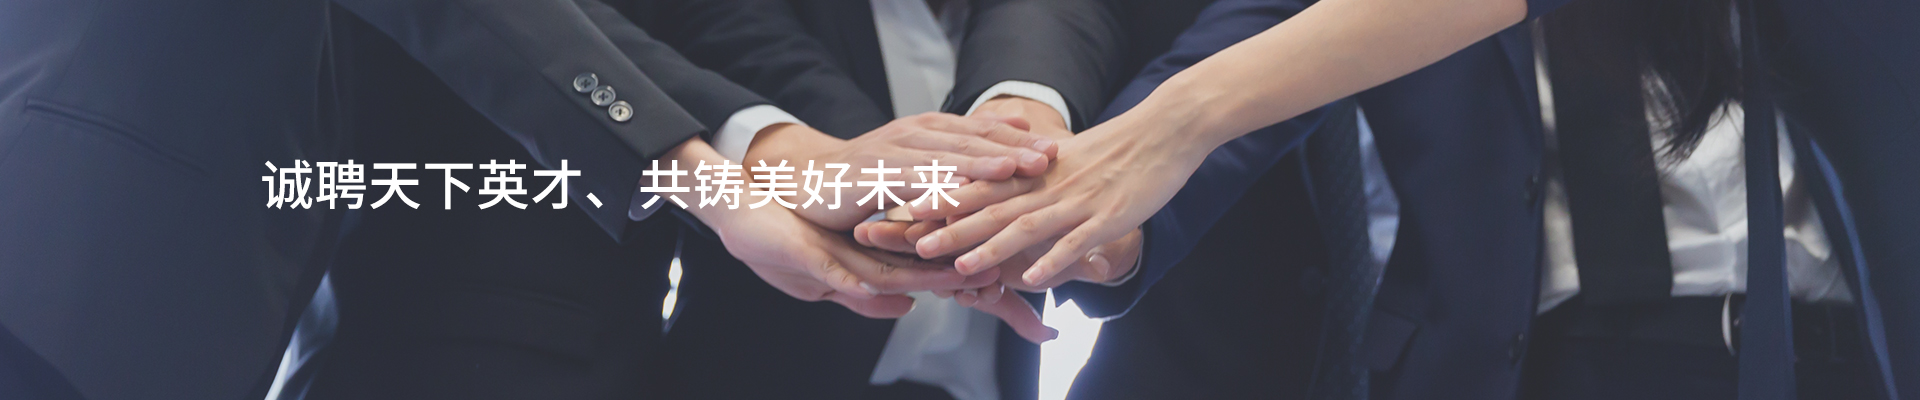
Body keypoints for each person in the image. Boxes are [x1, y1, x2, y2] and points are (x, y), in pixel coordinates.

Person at [885, 0, 1917, 398]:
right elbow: (1261, 36)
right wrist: (1108, 227)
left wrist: (1173, 125)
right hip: (1530, 362)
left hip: (1826, 348)